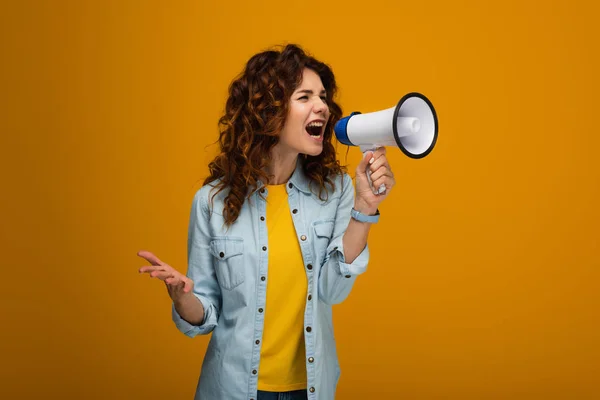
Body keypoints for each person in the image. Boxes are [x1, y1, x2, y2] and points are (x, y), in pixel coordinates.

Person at [138, 43, 395, 400]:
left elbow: (333, 290)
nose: (321, 105)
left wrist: (365, 207)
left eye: (322, 96)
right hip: (232, 389)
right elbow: (205, 314)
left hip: (311, 389)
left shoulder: (336, 191)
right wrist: (183, 300)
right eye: (304, 96)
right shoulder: (211, 203)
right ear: (268, 111)